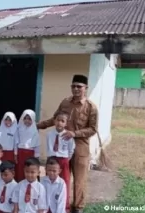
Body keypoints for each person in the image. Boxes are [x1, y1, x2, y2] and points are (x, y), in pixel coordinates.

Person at [37, 74, 98, 213]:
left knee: (79, 180)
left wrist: (74, 133)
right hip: (61, 148)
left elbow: (93, 129)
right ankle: (61, 205)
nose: (76, 89)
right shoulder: (65, 102)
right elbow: (55, 119)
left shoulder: (90, 107)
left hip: (80, 147)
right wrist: (40, 125)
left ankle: (78, 207)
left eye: (79, 86)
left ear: (85, 88)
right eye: (73, 86)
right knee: (61, 177)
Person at [46, 111, 75, 211]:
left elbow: (71, 150)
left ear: (66, 123)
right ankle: (49, 204)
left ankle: (65, 206)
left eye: (62, 121)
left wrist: (66, 159)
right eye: (58, 120)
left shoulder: (68, 136)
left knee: (65, 182)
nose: (59, 123)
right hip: (52, 159)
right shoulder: (49, 134)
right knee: (50, 181)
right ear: (54, 121)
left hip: (63, 160)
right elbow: (48, 147)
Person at [14, 109, 40, 182]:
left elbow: (37, 145)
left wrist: (37, 157)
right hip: (20, 153)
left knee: (29, 170)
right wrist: (15, 154)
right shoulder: (19, 129)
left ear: (33, 119)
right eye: (25, 118)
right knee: (20, 170)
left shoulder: (35, 131)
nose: (27, 121)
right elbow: (16, 142)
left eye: (29, 119)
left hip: (30, 153)